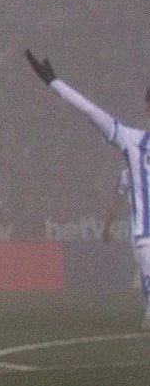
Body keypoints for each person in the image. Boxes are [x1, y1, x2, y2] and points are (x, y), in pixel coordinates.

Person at [25, 50, 150, 327]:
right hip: (146, 236)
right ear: (147, 108)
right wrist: (55, 84)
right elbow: (91, 111)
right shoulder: (131, 140)